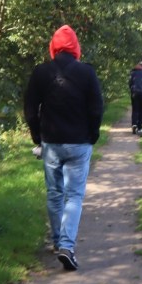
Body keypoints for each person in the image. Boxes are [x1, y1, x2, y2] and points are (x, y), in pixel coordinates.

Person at [23, 25, 104, 271]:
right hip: (79, 142)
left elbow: (30, 108)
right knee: (74, 195)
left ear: (54, 46)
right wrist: (93, 134)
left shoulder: (40, 72)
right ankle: (67, 246)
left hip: (51, 143)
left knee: (55, 193)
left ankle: (58, 241)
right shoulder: (87, 72)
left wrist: (37, 136)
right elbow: (96, 108)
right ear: (75, 47)